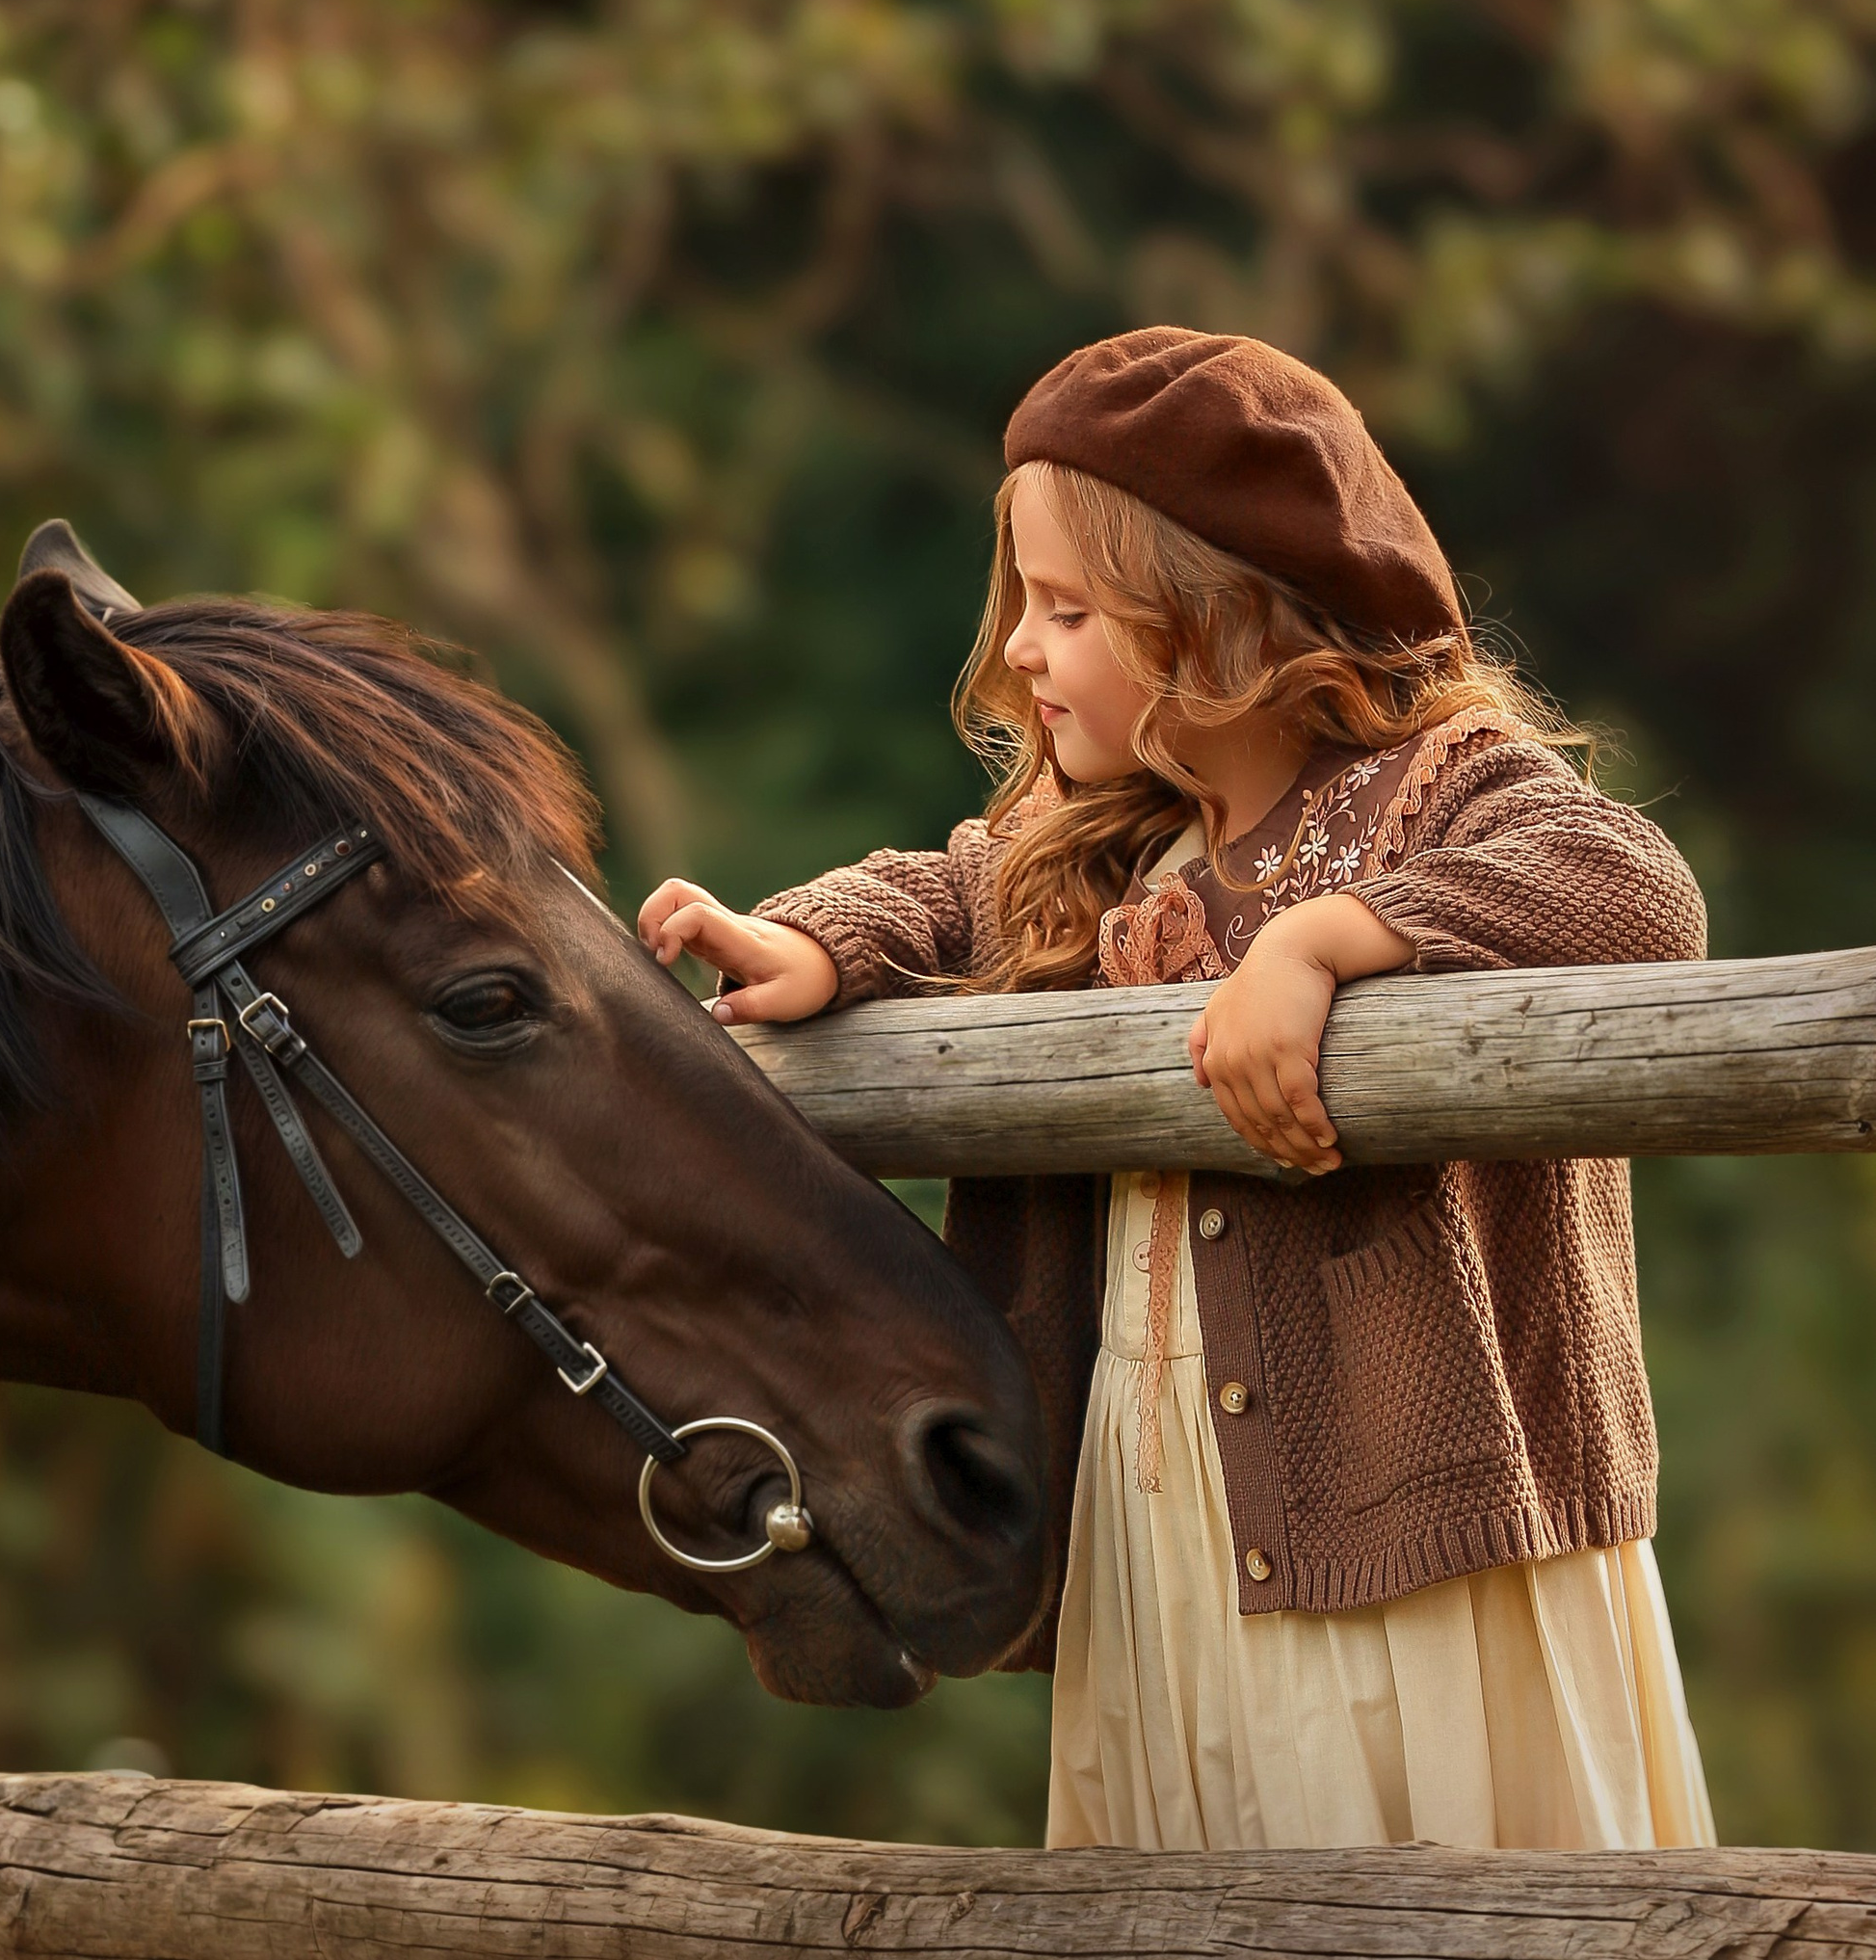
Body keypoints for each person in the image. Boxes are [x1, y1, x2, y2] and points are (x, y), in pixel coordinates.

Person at [639, 328, 1715, 1849]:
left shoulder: (1429, 795)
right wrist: (814, 938)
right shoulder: (1105, 851)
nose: (1021, 648)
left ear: (1221, 620)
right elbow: (944, 889)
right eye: (1024, 606)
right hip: (1164, 1531)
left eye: (1069, 610)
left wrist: (1331, 943)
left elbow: (1634, 890)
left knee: (1421, 1871)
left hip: (1411, 1539)